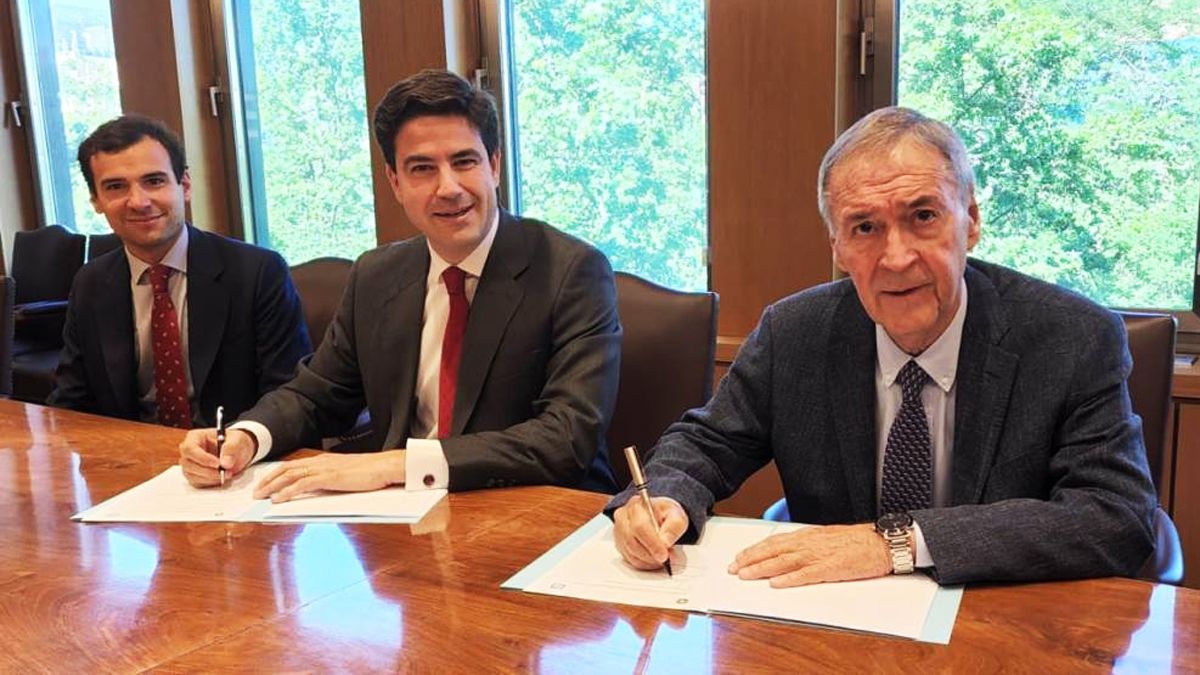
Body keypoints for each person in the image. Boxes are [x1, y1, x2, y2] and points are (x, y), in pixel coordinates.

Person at [609, 107, 1157, 586]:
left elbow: (1115, 516)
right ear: (837, 247)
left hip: (997, 618)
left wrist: (896, 542)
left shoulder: (1072, 338)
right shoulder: (794, 333)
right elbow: (707, 442)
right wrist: (664, 496)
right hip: (842, 623)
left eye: (923, 216)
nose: (896, 258)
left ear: (970, 221)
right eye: (865, 228)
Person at [177, 69, 621, 498]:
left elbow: (566, 436)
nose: (448, 188)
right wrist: (245, 437)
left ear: (495, 165)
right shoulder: (376, 274)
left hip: (533, 509)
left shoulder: (570, 271)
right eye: (422, 168)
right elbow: (316, 395)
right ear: (395, 182)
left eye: (464, 161)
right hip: (400, 513)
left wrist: (398, 465)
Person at [49, 115, 311, 428]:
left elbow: (287, 397)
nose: (139, 202)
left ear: (184, 185)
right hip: (131, 452)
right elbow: (71, 403)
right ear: (96, 201)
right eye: (116, 187)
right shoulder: (90, 282)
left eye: (154, 181)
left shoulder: (257, 273)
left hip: (232, 449)